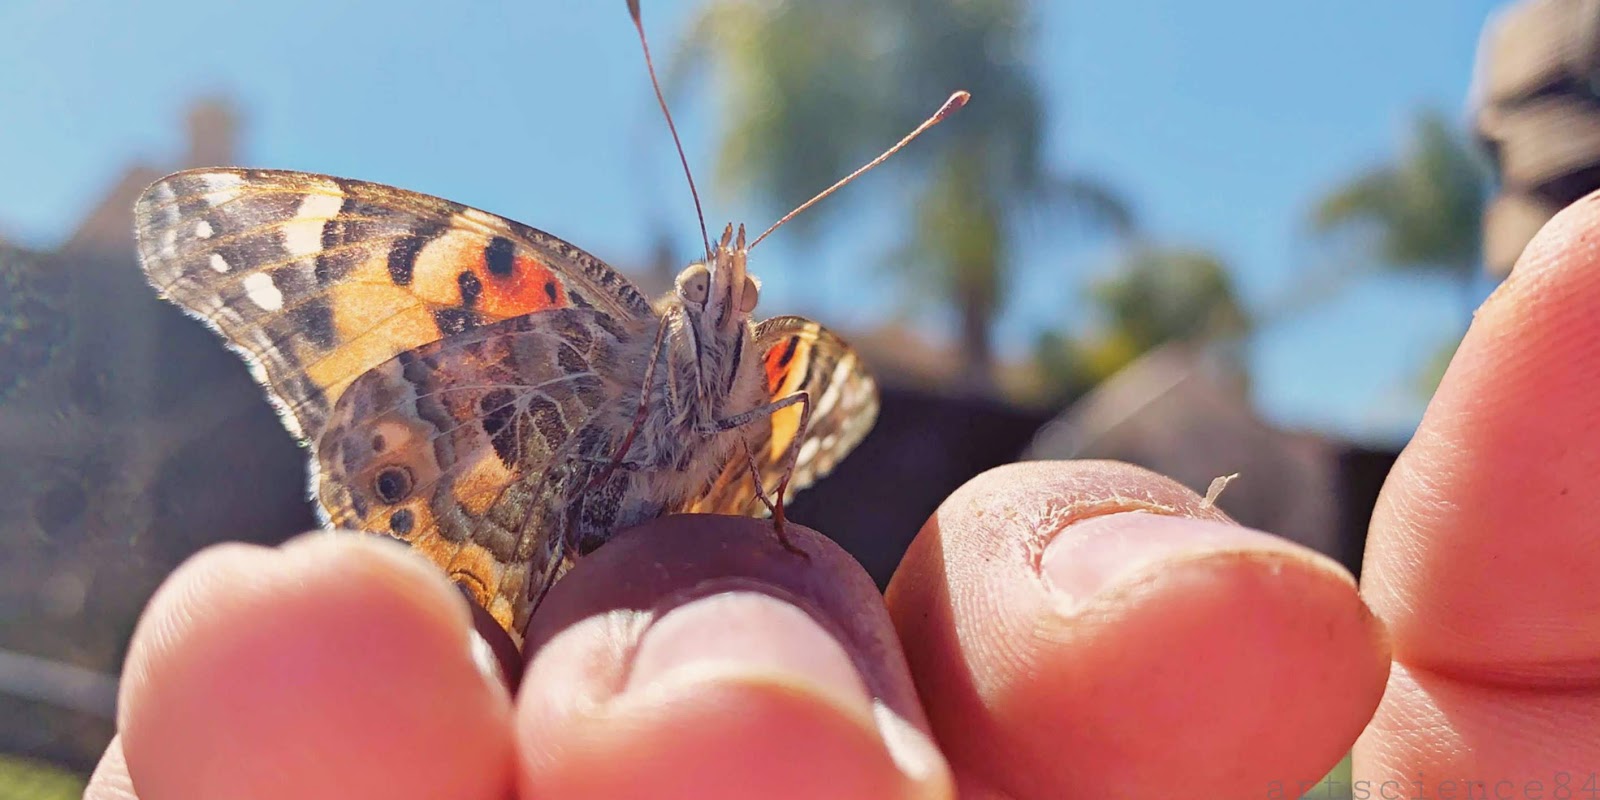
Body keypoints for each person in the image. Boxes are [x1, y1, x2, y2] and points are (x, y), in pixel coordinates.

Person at [83, 191, 1600, 800]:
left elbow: (809, 408)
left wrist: (760, 530)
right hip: (466, 523)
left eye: (739, 297)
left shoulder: (785, 366)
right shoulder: (552, 305)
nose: (726, 296)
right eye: (714, 283)